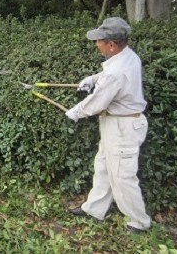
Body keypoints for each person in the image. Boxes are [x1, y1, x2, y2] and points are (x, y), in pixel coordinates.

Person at [64, 17, 151, 233]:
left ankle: (139, 222)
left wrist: (75, 112)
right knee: (103, 166)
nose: (96, 44)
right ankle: (95, 209)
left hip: (123, 127)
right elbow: (106, 78)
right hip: (117, 124)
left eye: (99, 41)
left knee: (122, 176)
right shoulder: (127, 56)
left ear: (111, 44)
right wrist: (93, 79)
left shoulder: (115, 73)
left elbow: (96, 103)